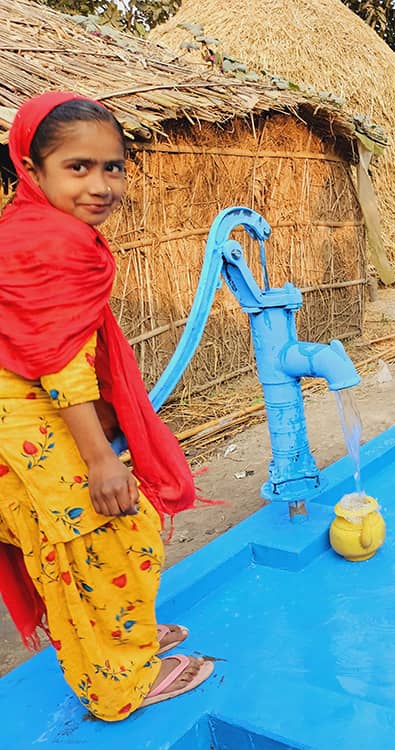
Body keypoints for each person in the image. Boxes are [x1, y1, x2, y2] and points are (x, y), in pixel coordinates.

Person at [0, 92, 213, 721]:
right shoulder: (52, 243)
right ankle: (119, 682)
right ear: (31, 171)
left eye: (112, 167)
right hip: (34, 429)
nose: (100, 185)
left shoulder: (32, 229)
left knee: (93, 547)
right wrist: (101, 460)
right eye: (78, 167)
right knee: (102, 542)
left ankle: (125, 642)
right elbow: (58, 361)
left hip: (30, 424)